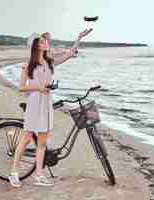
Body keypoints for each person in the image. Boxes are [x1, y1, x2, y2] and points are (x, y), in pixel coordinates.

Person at [8, 29, 92, 187]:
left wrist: (79, 38)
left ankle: (39, 175)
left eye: (45, 40)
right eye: (41, 41)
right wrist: (38, 88)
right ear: (36, 46)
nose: (45, 42)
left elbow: (70, 53)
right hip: (34, 103)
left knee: (41, 142)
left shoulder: (50, 62)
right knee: (26, 139)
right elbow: (21, 88)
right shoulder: (28, 65)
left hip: (47, 103)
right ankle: (14, 173)